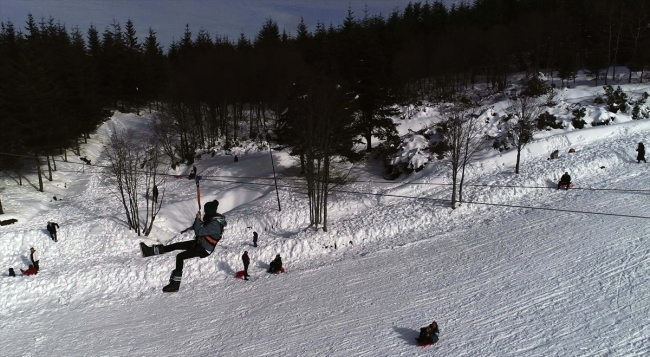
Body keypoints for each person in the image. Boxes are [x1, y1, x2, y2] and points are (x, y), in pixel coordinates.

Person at [140, 200, 227, 293]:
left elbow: (198, 231)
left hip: (204, 249)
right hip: (199, 244)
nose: (204, 212)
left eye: (205, 211)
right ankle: (150, 251)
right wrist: (198, 220)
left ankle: (175, 285)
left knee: (180, 257)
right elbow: (198, 227)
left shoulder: (214, 224)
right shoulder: (213, 218)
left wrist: (198, 219)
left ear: (209, 211)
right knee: (176, 245)